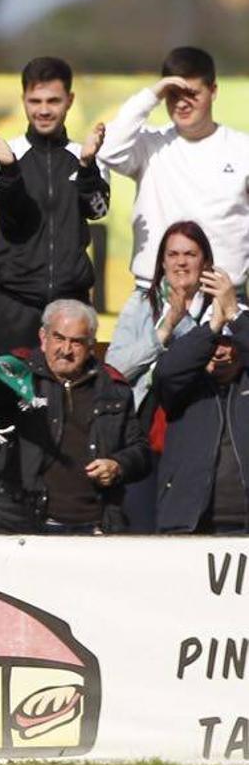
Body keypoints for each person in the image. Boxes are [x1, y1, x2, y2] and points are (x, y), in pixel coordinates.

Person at [0, 299, 151, 535]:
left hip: (91, 527)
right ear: (43, 337)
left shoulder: (114, 387)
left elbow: (140, 451)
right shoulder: (16, 377)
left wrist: (118, 466)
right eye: (59, 338)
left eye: (76, 342)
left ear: (91, 346)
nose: (66, 350)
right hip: (17, 523)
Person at [0, 56, 110, 354]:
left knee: (71, 396)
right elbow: (10, 218)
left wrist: (88, 166)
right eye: (34, 100)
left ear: (70, 100)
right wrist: (10, 168)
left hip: (71, 304)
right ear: (23, 100)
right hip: (14, 304)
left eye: (53, 100)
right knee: (11, 399)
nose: (43, 110)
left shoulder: (86, 155)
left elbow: (98, 210)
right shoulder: (3, 155)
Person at [99, 47, 249, 293]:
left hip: (223, 295)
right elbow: (107, 150)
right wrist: (152, 95)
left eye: (191, 94)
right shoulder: (149, 144)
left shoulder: (243, 149)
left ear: (213, 91)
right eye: (173, 94)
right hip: (155, 292)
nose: (181, 103)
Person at [151, 280, 249, 534]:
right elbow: (165, 372)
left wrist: (235, 316)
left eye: (229, 342)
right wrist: (213, 326)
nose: (219, 352)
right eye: (215, 342)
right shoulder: (184, 387)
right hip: (189, 524)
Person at [108, 221, 227, 410]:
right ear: (163, 263)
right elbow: (114, 369)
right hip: (145, 415)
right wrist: (167, 327)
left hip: (201, 411)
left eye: (190, 254)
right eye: (172, 255)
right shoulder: (141, 304)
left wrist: (184, 322)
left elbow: (215, 370)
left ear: (205, 263)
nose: (181, 262)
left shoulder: (219, 308)